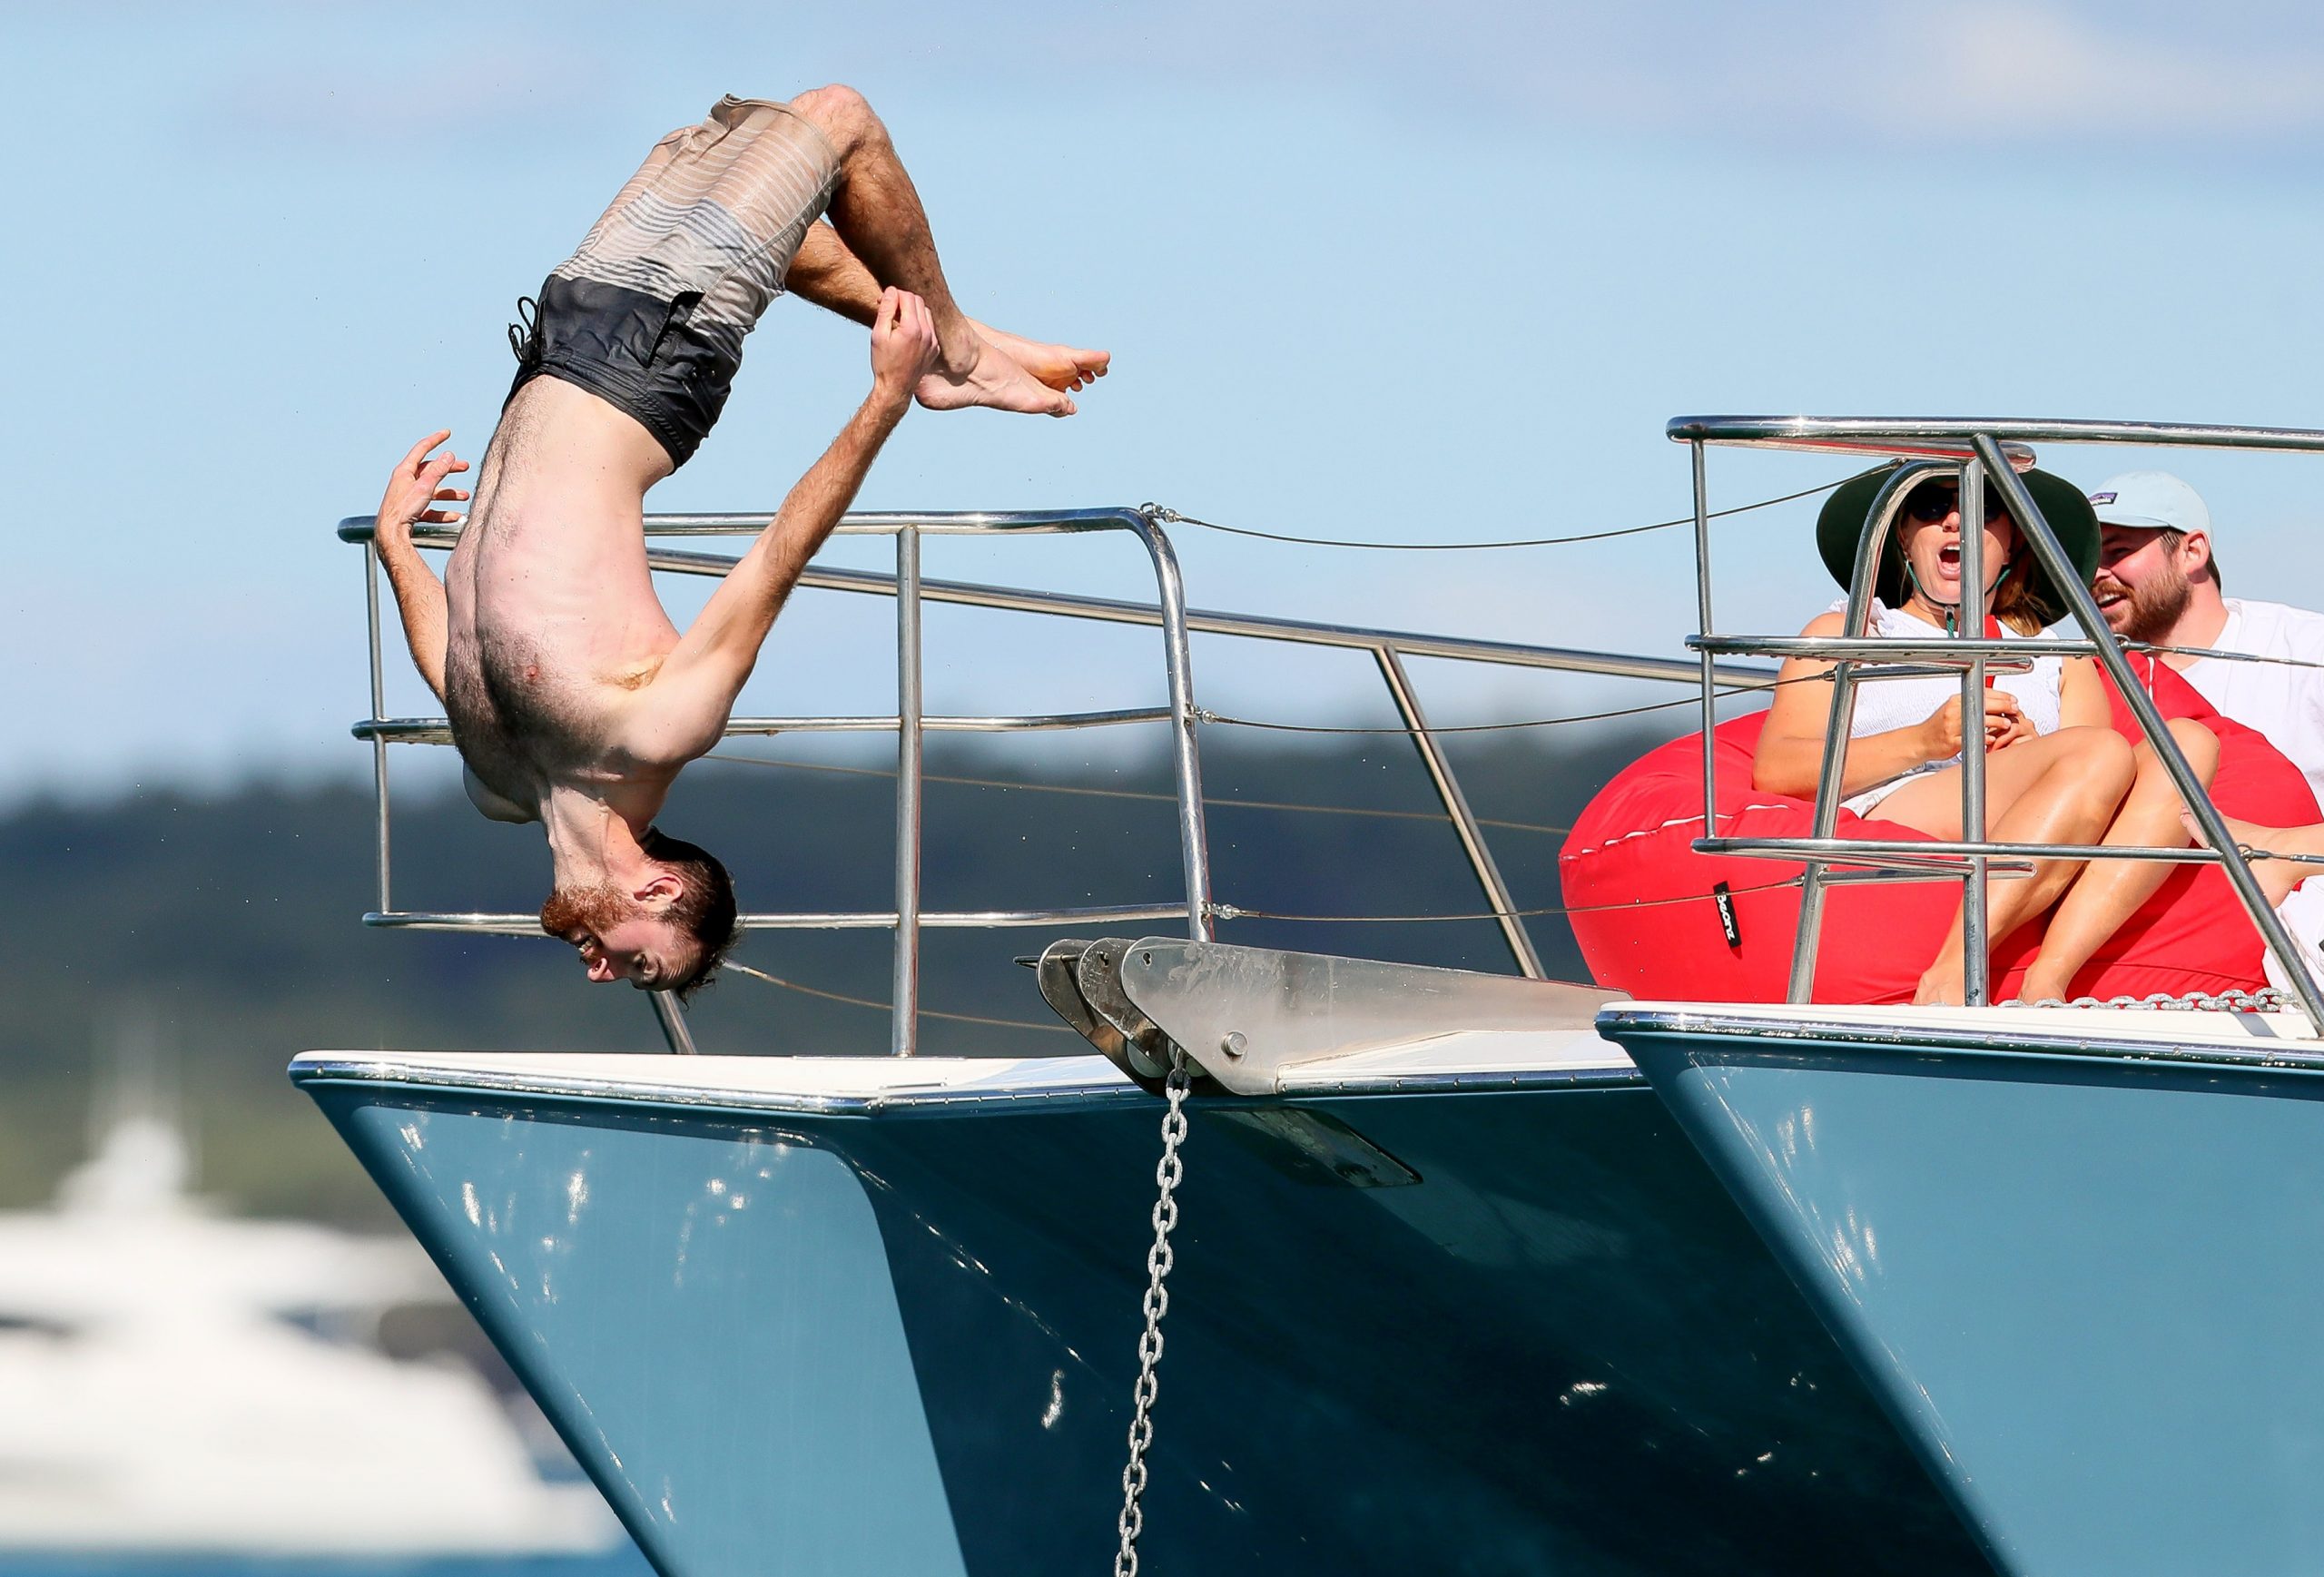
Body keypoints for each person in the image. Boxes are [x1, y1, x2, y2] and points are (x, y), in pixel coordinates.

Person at [368, 89, 1109, 999]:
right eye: (641, 959)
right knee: (832, 119)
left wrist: (397, 548)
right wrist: (885, 398)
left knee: (735, 162)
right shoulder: (658, 731)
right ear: (660, 886)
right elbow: (779, 555)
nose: (602, 972)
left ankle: (960, 342)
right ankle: (951, 357)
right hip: (656, 353)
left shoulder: (500, 789)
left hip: (564, 330)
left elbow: (449, 661)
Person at [1754, 468, 2210, 1004]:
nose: (1953, 521)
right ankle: (1950, 972)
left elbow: (2102, 783)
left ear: (2012, 539)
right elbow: (1776, 769)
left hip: (2031, 808)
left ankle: (2051, 976)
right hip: (1897, 806)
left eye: (1981, 510)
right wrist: (1926, 740)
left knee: (2189, 743)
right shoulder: (1850, 631)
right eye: (1928, 508)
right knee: (2097, 751)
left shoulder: (2058, 653)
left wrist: (2033, 745)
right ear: (1902, 536)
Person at [2091, 470, 2324, 804]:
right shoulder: (2084, 679)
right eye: (2085, 560)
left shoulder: (2306, 652)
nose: (2096, 573)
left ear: (2193, 551)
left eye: (2118, 551)